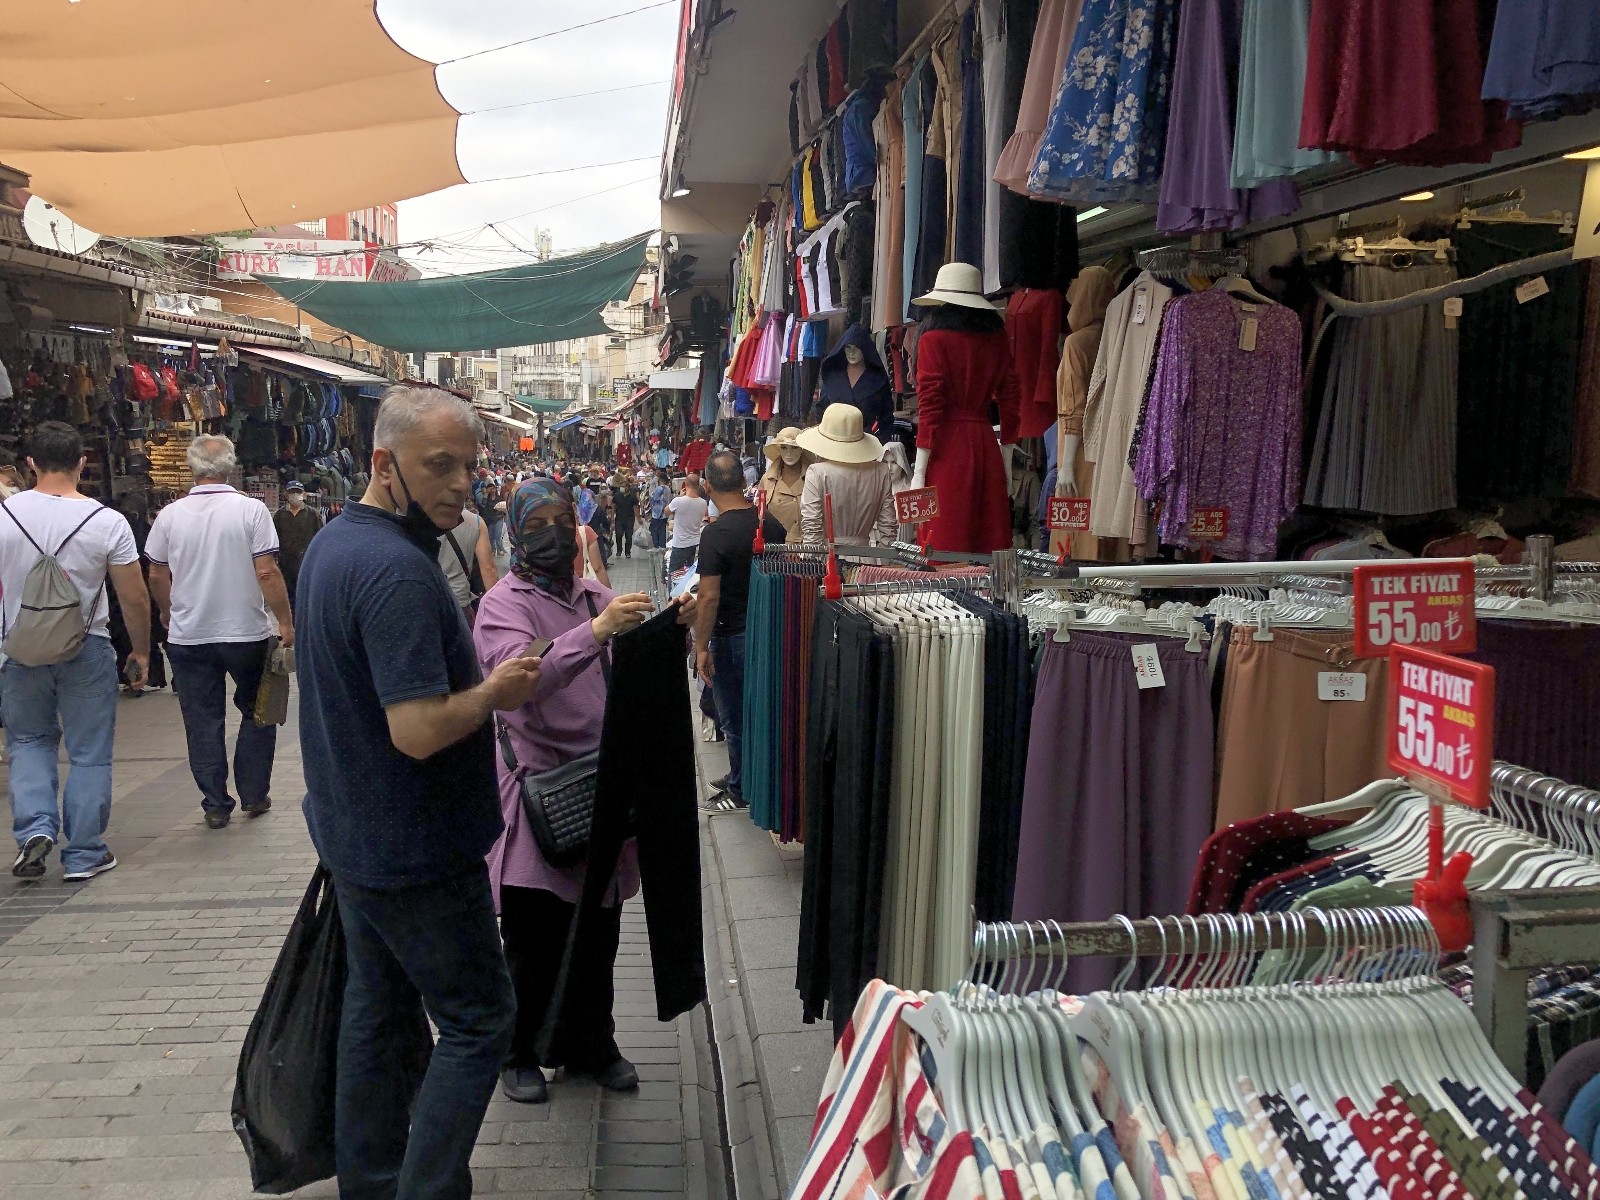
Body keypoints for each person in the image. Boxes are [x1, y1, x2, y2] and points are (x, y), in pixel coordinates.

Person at [297, 386, 539, 1199]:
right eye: (439, 465)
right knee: (479, 1021)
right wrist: (496, 693)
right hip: (415, 847)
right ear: (383, 463)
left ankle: (370, 1177)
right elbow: (420, 729)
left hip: (359, 836)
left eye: (468, 465)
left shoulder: (336, 544)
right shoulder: (395, 569)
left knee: (381, 1010)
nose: (461, 483)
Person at [475, 478, 689, 1104]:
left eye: (562, 519)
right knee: (533, 938)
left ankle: (591, 1044)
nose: (553, 532)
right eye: (537, 522)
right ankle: (517, 1054)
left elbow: (635, 673)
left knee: (597, 935)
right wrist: (594, 633)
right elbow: (519, 681)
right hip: (539, 792)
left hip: (600, 791)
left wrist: (673, 628)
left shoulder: (594, 594)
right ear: (516, 530)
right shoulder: (502, 605)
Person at [2, 421, 150, 882]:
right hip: (87, 647)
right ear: (82, 463)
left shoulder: (4, 516)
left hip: (18, 650)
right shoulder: (107, 522)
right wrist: (141, 651)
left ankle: (34, 829)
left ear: (30, 464)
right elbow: (133, 596)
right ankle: (84, 852)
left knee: (27, 741)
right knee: (88, 752)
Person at [146, 435, 293, 830]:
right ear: (230, 467)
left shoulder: (169, 515)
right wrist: (285, 620)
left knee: (202, 718)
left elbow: (158, 572)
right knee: (257, 711)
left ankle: (214, 802)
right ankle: (253, 793)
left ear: (193, 469)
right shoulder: (251, 510)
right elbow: (266, 570)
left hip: (189, 633)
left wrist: (167, 609)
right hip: (245, 631)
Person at [694, 452, 786, 812]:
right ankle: (745, 773)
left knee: (733, 715)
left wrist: (700, 646)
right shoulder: (769, 523)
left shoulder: (715, 534)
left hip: (731, 636)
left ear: (708, 485)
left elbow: (708, 595)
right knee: (760, 711)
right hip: (767, 631)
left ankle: (741, 788)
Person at [438, 501, 499, 627]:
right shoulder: (475, 521)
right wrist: (497, 610)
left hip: (427, 603)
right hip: (460, 602)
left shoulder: (414, 520)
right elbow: (488, 569)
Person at [272, 480, 321, 613]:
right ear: (286, 495)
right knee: (289, 598)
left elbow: (320, 537)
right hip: (286, 564)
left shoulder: (313, 514)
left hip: (307, 562)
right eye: (292, 492)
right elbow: (275, 538)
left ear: (304, 494)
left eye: (298, 492)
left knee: (306, 597)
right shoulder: (280, 515)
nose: (295, 495)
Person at [757, 427, 813, 542]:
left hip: (807, 551)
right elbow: (760, 515)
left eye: (794, 448)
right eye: (783, 447)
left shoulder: (813, 479)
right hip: (774, 550)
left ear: (802, 449)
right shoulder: (767, 480)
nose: (789, 453)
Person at [666, 478, 709, 576]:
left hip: (680, 544)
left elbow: (666, 511)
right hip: (695, 542)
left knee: (673, 573)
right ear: (698, 485)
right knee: (690, 573)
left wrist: (679, 496)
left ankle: (672, 591)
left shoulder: (678, 501)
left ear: (685, 485)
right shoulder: (703, 503)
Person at [473, 467, 505, 555]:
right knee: (491, 536)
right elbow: (483, 504)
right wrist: (486, 494)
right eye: (490, 489)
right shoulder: (487, 498)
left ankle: (499, 549)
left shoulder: (498, 498)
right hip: (490, 519)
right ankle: (493, 549)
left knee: (498, 535)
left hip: (498, 518)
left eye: (493, 488)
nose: (492, 490)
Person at [611, 475, 638, 558]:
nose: (622, 488)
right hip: (619, 518)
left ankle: (627, 552)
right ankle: (619, 550)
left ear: (627, 487)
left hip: (629, 518)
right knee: (618, 535)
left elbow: (635, 508)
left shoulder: (632, 496)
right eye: (621, 486)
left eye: (623, 486)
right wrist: (612, 518)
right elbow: (613, 507)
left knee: (629, 536)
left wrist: (639, 518)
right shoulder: (616, 496)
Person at [648, 469, 671, 549]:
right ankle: (662, 545)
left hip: (657, 513)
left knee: (653, 529)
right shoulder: (668, 489)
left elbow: (653, 497)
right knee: (662, 530)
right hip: (665, 513)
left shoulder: (659, 489)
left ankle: (656, 544)